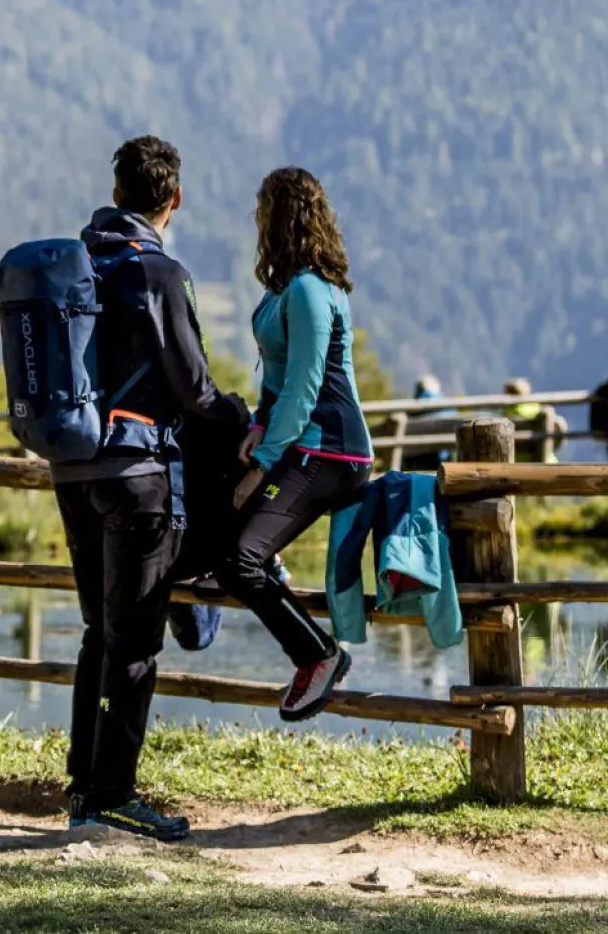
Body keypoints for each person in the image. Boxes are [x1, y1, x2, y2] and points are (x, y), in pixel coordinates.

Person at [52, 134, 246, 844]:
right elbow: (194, 392)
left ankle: (83, 790)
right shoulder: (159, 274)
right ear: (174, 198)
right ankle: (115, 796)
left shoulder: (79, 265)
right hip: (138, 477)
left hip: (73, 471)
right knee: (134, 644)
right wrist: (243, 420)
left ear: (117, 190)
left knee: (99, 634)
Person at [206, 164, 374, 720]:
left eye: (262, 211)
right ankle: (270, 562)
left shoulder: (307, 291)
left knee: (239, 559)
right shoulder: (285, 289)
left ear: (279, 217)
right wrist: (256, 426)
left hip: (331, 450)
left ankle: (319, 655)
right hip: (305, 443)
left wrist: (263, 467)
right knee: (225, 534)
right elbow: (276, 384)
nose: (256, 221)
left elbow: (304, 391)